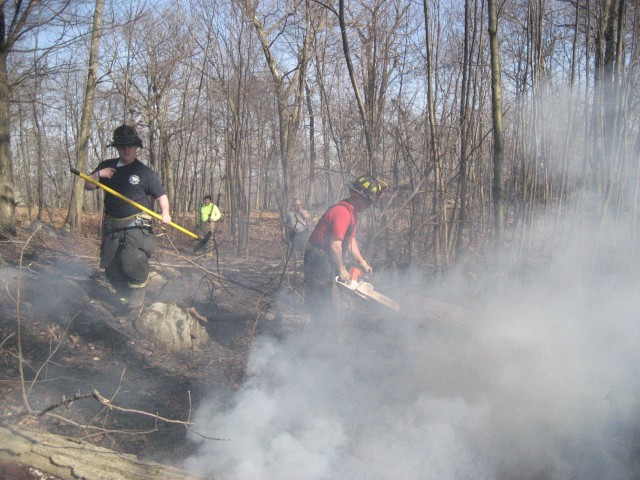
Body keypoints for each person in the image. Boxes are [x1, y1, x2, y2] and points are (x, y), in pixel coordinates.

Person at [84, 124, 171, 310]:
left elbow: (161, 196)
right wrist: (99, 174)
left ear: (136, 147)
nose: (127, 150)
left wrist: (166, 213)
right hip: (112, 223)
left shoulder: (144, 172)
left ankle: (138, 294)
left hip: (137, 223)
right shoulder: (107, 166)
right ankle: (124, 297)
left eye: (130, 146)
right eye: (122, 146)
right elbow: (88, 186)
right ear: (117, 148)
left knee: (131, 258)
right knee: (109, 265)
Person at [303, 174, 388, 319]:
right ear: (359, 196)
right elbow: (335, 245)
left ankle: (327, 328)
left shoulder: (352, 213)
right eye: (368, 202)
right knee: (321, 300)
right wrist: (342, 269)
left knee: (330, 299)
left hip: (326, 259)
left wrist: (363, 262)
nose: (368, 206)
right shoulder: (342, 212)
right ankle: (319, 332)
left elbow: (350, 242)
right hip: (318, 260)